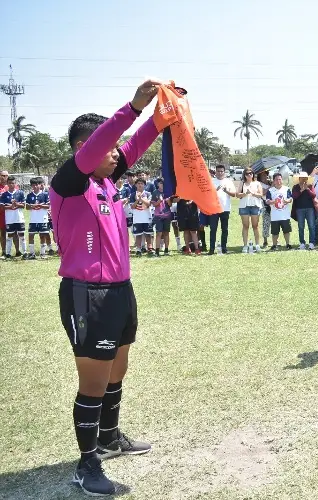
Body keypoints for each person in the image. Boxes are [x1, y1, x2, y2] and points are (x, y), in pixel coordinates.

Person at [49, 80, 161, 496]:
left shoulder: (106, 181)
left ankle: (109, 437)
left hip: (119, 291)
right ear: (86, 148)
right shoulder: (69, 183)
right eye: (111, 147)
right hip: (86, 294)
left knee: (118, 370)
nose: (119, 153)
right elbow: (106, 145)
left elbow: (135, 146)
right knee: (93, 382)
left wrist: (162, 118)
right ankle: (86, 464)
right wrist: (133, 107)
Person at [209, 164, 236, 255]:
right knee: (213, 229)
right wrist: (215, 190)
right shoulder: (211, 181)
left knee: (224, 229)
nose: (220, 173)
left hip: (225, 208)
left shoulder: (228, 181)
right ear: (215, 172)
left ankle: (223, 248)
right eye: (218, 171)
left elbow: (234, 194)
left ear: (224, 172)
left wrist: (226, 191)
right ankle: (212, 249)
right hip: (214, 208)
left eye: (222, 171)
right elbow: (207, 194)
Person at [236, 168, 264, 253]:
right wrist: (245, 194)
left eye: (251, 173)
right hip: (244, 206)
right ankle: (245, 245)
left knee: (255, 226)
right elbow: (237, 195)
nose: (249, 175)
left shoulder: (257, 183)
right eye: (247, 174)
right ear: (244, 175)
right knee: (245, 226)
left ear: (253, 174)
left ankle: (257, 245)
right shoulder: (242, 183)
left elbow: (261, 194)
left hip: (255, 206)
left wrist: (253, 193)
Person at [0, 175, 27, 258]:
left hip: (19, 218)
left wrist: (16, 204)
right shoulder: (4, 195)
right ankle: (7, 253)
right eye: (9, 183)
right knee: (10, 236)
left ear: (15, 184)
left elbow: (23, 205)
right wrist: (11, 206)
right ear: (7, 184)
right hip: (9, 219)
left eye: (13, 183)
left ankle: (25, 252)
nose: (11, 184)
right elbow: (2, 207)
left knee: (21, 235)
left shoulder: (20, 193)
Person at [25, 177, 52, 259]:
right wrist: (32, 206)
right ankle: (32, 253)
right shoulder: (29, 195)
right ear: (31, 186)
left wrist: (40, 205)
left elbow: (48, 206)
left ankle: (42, 253)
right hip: (33, 219)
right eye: (33, 185)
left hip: (42, 219)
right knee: (31, 235)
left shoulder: (45, 194)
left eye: (37, 185)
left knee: (42, 235)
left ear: (40, 185)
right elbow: (27, 207)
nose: (35, 187)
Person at [265, 172, 293, 250]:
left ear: (282, 180)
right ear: (273, 181)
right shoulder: (270, 190)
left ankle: (288, 244)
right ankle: (274, 245)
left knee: (286, 231)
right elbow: (267, 201)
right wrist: (273, 202)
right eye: (276, 180)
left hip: (285, 215)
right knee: (274, 232)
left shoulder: (286, 189)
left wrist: (286, 201)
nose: (278, 181)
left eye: (280, 179)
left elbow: (290, 198)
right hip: (275, 215)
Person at [291, 171, 317, 250]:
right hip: (299, 209)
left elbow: (314, 195)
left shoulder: (310, 186)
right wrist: (301, 190)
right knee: (301, 226)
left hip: (310, 209)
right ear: (299, 179)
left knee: (311, 226)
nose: (304, 180)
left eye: (305, 178)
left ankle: (312, 242)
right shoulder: (295, 187)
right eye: (302, 178)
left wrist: (307, 189)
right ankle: (302, 242)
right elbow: (294, 196)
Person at [130, 178, 154, 257]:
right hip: (137, 218)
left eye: (142, 183)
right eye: (138, 183)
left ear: (144, 185)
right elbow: (132, 206)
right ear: (136, 185)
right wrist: (137, 200)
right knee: (138, 234)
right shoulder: (133, 194)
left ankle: (150, 249)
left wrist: (141, 199)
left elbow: (148, 204)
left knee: (148, 234)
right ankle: (138, 249)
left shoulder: (148, 193)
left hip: (147, 217)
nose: (140, 185)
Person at [150, 178, 173, 257]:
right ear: (158, 184)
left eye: (163, 183)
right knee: (159, 233)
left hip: (167, 215)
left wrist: (168, 200)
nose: (162, 184)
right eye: (160, 183)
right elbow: (154, 204)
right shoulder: (155, 192)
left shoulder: (168, 192)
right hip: (158, 216)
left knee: (166, 233)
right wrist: (159, 201)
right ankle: (157, 251)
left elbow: (170, 205)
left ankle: (166, 250)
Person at [257, 170, 272, 248]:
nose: (264, 176)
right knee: (266, 222)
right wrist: (271, 186)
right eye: (262, 175)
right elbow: (263, 193)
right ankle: (265, 241)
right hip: (265, 205)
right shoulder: (259, 184)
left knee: (275, 223)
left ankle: (275, 240)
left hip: (273, 204)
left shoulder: (270, 182)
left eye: (265, 175)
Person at [0, 170, 7, 259]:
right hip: (0, 214)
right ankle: (4, 251)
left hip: (9, 214)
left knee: (13, 233)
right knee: (2, 233)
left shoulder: (12, 186)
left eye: (6, 175)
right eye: (2, 175)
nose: (4, 177)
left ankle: (17, 251)